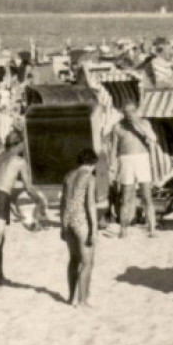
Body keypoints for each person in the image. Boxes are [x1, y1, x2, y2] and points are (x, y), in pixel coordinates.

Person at [0, 136, 51, 287]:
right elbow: (28, 187)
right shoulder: (19, 161)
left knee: (0, 239)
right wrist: (39, 200)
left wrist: (10, 204)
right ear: (19, 145)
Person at [106, 101, 160, 237]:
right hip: (125, 160)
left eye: (131, 111)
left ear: (136, 111)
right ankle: (123, 230)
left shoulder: (145, 124)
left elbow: (153, 138)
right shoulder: (118, 126)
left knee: (147, 196)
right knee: (126, 196)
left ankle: (152, 229)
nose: (128, 115)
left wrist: (138, 124)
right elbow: (114, 149)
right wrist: (112, 167)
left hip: (142, 158)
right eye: (126, 112)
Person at [60, 148, 99, 306]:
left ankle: (71, 297)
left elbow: (62, 203)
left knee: (73, 260)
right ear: (92, 163)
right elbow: (90, 205)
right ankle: (82, 300)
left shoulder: (68, 176)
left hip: (68, 220)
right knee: (87, 262)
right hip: (81, 220)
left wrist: (62, 225)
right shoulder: (89, 178)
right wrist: (94, 229)